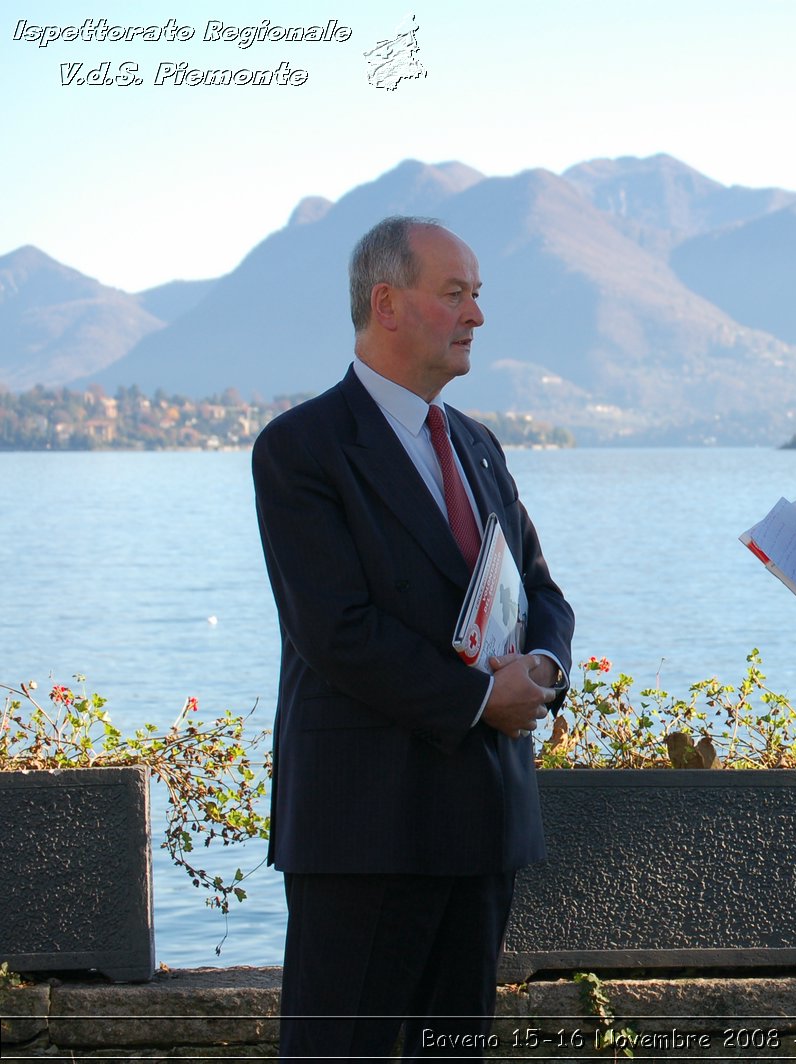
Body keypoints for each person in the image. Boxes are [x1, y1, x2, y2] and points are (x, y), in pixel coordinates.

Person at [252, 216, 575, 1060]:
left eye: (478, 296)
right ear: (387, 302)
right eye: (456, 293)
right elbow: (335, 631)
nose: (476, 315)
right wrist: (480, 698)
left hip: (482, 823)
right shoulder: (301, 449)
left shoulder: (475, 443)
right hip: (365, 829)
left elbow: (540, 590)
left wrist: (541, 666)